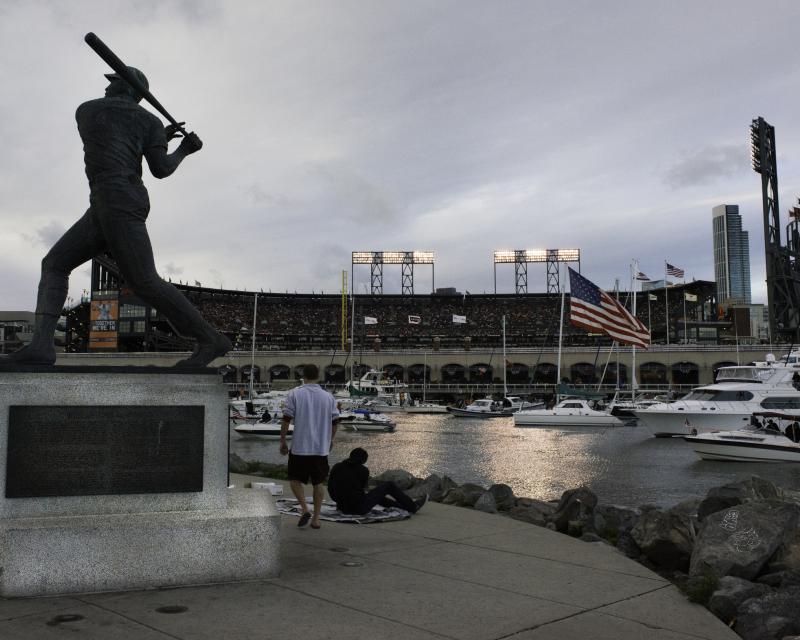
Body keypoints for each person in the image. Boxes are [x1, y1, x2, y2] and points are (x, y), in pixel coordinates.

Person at [1, 66, 231, 368]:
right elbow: (162, 168)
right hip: (111, 199)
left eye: (114, 82)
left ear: (128, 87)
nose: (108, 87)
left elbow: (119, 138)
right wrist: (183, 149)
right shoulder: (148, 121)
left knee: (144, 280)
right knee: (55, 264)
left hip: (117, 199)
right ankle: (42, 346)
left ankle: (211, 339)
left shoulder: (88, 110)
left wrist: (152, 137)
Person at [279, 364, 339, 529]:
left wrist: (283, 441)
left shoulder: (295, 394)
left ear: (303, 376)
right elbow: (335, 422)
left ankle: (305, 509)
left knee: (294, 479)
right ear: (318, 376)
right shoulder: (328, 397)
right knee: (318, 483)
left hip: (300, 447)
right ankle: (316, 519)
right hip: (320, 449)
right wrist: (330, 440)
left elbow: (286, 419)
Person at [327, 447, 426, 516]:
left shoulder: (337, 467)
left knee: (378, 496)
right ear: (363, 461)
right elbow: (362, 490)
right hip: (358, 509)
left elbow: (330, 488)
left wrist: (340, 502)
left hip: (341, 507)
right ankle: (413, 506)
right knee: (389, 485)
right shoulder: (363, 470)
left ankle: (402, 507)